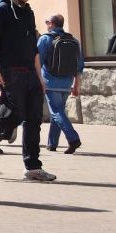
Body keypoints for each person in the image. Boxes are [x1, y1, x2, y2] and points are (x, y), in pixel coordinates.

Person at [0, 0, 55, 182]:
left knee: (33, 120)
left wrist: (40, 77)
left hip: (30, 73)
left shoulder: (28, 13)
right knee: (12, 116)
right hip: (9, 72)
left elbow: (33, 48)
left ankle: (32, 167)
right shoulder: (1, 10)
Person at [38, 14, 84, 154]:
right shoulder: (73, 40)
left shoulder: (45, 39)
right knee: (58, 112)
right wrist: (76, 85)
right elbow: (79, 65)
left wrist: (39, 81)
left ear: (51, 23)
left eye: (47, 21)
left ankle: (73, 138)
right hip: (67, 82)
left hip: (50, 82)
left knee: (56, 112)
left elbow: (37, 62)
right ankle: (52, 144)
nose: (46, 24)